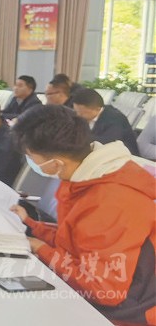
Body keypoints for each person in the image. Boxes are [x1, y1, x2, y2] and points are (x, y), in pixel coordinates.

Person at [9, 105, 155, 324]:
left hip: (125, 312)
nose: (30, 161)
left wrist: (41, 249)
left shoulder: (110, 201)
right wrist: (32, 225)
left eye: (31, 156)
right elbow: (78, 240)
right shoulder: (84, 176)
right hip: (92, 289)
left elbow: (106, 290)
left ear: (56, 163)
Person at [71, 88, 140, 156]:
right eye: (76, 111)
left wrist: (75, 137)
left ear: (97, 109)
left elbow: (106, 143)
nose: (78, 115)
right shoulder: (83, 116)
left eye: (82, 113)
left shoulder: (115, 119)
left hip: (123, 157)